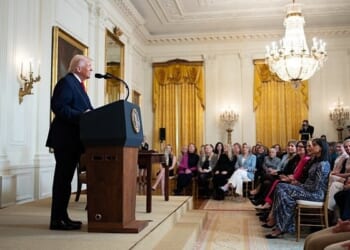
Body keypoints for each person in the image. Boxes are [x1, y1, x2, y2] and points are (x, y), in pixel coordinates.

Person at [46, 55, 94, 230]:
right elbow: (58, 107)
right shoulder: (67, 82)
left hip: (74, 140)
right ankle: (57, 220)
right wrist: (83, 116)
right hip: (65, 139)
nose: (91, 69)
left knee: (66, 181)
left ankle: (63, 217)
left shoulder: (78, 85)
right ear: (78, 68)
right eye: (89, 66)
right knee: (62, 181)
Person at [265, 138, 330, 238]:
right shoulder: (316, 162)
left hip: (315, 195)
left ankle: (281, 226)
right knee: (281, 189)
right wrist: (298, 184)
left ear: (321, 148)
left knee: (282, 189)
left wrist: (299, 185)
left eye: (314, 145)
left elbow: (315, 187)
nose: (311, 147)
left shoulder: (323, 164)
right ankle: (283, 226)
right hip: (307, 190)